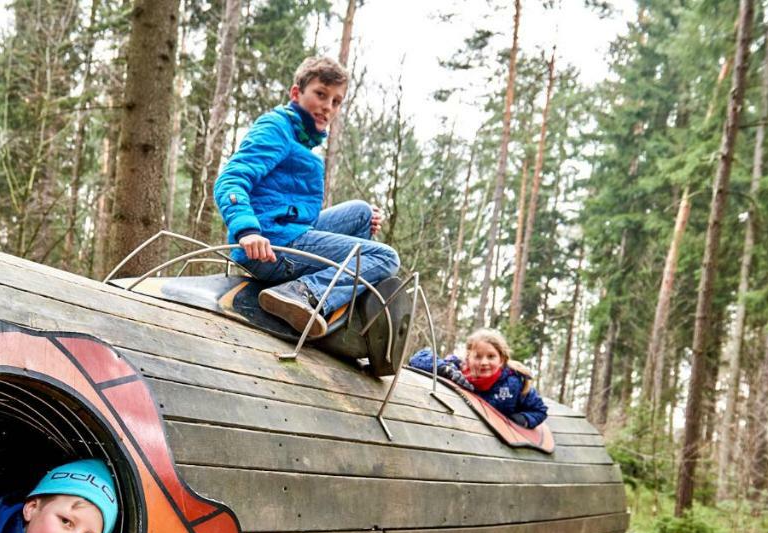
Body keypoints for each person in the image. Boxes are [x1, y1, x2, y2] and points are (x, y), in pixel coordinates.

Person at [213, 55, 400, 339]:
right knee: (385, 257)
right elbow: (231, 179)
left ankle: (336, 315)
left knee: (361, 212)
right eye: (321, 94)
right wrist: (247, 230)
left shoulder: (300, 139)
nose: (327, 107)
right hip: (270, 245)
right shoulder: (276, 128)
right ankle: (304, 293)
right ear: (296, 93)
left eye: (336, 101)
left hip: (287, 233)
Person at [409, 328, 549, 428]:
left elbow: (539, 410)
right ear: (468, 357)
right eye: (478, 356)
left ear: (501, 359)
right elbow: (418, 358)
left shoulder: (514, 382)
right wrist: (446, 370)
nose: (484, 362)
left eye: (491, 356)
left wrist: (522, 420)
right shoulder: (457, 369)